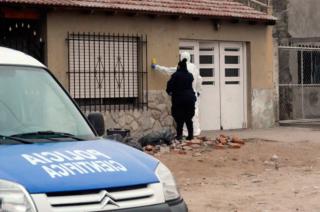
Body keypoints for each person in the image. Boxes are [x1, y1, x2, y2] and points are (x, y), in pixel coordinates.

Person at [152, 51, 202, 136]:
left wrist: (156, 67)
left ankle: (184, 134)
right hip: (192, 94)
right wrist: (198, 91)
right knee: (193, 114)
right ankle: (194, 133)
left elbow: (167, 71)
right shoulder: (194, 68)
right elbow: (199, 79)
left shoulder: (179, 68)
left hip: (181, 95)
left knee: (181, 114)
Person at [166, 59, 196, 140]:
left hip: (179, 99)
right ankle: (190, 136)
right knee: (188, 118)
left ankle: (179, 136)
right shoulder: (190, 75)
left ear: (179, 66)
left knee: (179, 118)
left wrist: (169, 92)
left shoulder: (176, 75)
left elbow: (169, 85)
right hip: (190, 99)